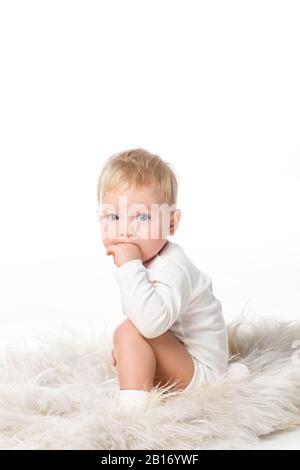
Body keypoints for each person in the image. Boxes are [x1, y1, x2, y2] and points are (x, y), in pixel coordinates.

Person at [96, 148, 229, 414]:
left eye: (142, 217)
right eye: (114, 216)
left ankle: (132, 415)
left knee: (128, 331)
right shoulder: (150, 258)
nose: (125, 229)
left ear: (170, 223)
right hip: (179, 352)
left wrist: (129, 267)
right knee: (129, 337)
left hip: (200, 372)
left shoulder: (172, 267)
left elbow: (150, 324)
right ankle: (140, 378)